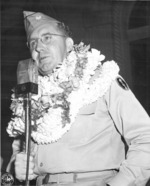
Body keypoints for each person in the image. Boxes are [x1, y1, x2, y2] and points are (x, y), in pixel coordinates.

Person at [6, 11, 150, 186]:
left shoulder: (100, 80)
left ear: (68, 44)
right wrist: (17, 165)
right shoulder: (29, 96)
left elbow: (145, 138)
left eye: (47, 38)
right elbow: (19, 151)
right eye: (33, 43)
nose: (38, 47)